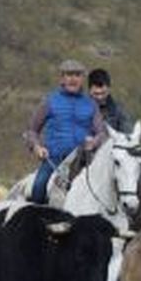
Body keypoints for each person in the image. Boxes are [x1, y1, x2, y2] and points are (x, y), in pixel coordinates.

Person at [23, 59, 105, 204]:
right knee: (38, 186)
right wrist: (37, 147)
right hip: (54, 158)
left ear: (82, 79)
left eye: (77, 75)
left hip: (83, 161)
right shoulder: (50, 101)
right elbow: (32, 130)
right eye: (69, 75)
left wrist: (94, 142)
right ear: (62, 78)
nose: (73, 79)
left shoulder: (91, 104)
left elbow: (101, 133)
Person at [88, 68, 136, 134]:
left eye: (103, 93)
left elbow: (128, 132)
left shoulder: (118, 109)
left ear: (109, 89)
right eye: (96, 94)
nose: (99, 97)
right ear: (90, 90)